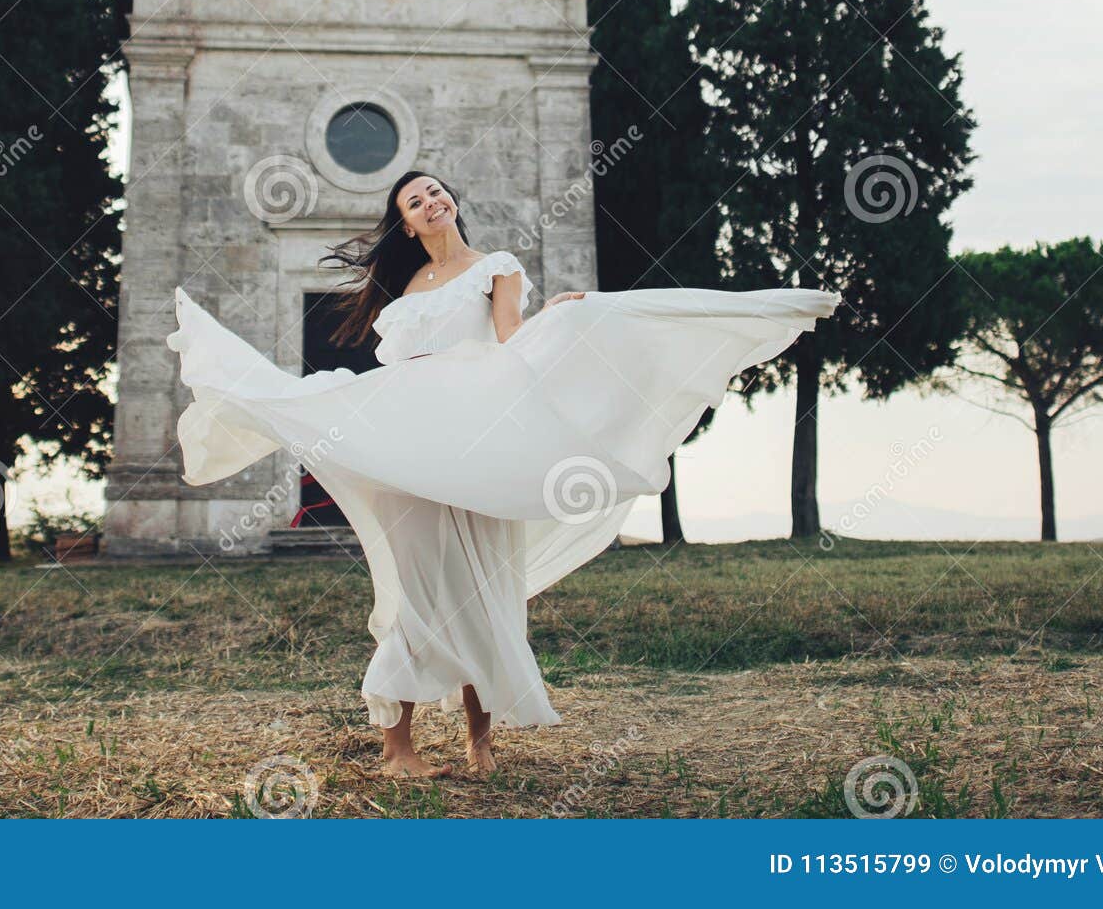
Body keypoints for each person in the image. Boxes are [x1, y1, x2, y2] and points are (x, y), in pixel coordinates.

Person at [167, 169, 839, 779]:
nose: (431, 202)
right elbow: (400, 370)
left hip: (478, 444)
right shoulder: (401, 289)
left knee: (488, 589)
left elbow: (511, 344)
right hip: (410, 443)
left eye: (435, 191)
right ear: (405, 223)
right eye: (415, 200)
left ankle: (479, 744)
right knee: (421, 589)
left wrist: (561, 317)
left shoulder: (496, 266)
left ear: (451, 202)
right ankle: (398, 752)